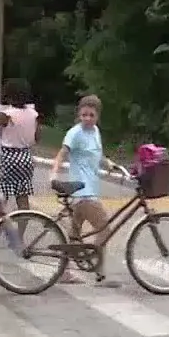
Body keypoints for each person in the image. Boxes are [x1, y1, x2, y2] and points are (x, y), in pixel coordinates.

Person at [51, 94, 124, 287]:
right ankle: (98, 271)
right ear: (79, 114)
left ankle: (65, 272)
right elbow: (62, 153)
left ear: (97, 116)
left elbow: (97, 153)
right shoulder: (75, 133)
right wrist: (54, 173)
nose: (87, 119)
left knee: (74, 234)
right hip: (83, 192)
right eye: (84, 115)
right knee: (105, 229)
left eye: (91, 115)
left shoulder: (95, 132)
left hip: (86, 189)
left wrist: (108, 162)